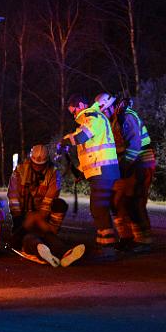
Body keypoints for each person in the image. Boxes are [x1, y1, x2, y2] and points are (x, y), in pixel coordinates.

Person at [60, 93, 120, 260]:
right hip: (102, 170)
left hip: (103, 170)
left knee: (98, 208)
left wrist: (64, 142)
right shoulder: (90, 120)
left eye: (73, 111)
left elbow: (81, 137)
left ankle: (108, 249)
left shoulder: (93, 117)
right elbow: (86, 149)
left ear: (80, 105)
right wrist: (79, 170)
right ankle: (104, 245)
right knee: (99, 208)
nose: (74, 115)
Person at [7, 144, 85, 267]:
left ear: (46, 161)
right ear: (30, 160)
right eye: (35, 165)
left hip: (43, 218)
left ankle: (64, 253)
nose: (38, 168)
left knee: (54, 214)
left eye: (41, 165)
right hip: (23, 218)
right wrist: (19, 221)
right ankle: (49, 249)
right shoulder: (19, 171)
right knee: (31, 237)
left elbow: (48, 203)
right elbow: (13, 197)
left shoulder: (53, 174)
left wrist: (38, 220)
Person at [102, 96, 156, 253]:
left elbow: (134, 145)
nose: (103, 115)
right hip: (126, 163)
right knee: (116, 200)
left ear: (110, 107)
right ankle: (126, 237)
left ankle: (143, 240)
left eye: (104, 111)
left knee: (135, 200)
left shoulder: (126, 116)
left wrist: (123, 167)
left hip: (140, 161)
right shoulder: (113, 120)